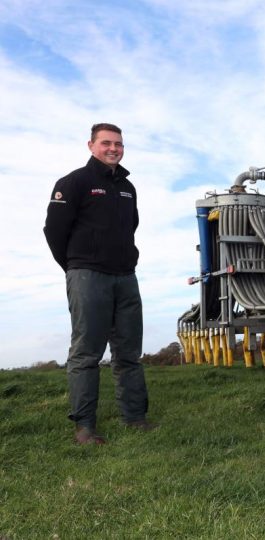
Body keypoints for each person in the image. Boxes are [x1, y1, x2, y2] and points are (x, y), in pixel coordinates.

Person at [44, 123, 156, 445]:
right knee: (86, 353)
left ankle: (134, 417)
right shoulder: (73, 182)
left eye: (118, 144)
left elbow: (130, 227)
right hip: (87, 276)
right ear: (91, 145)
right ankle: (84, 428)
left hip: (126, 277)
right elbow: (54, 231)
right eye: (106, 143)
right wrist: (74, 267)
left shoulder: (127, 188)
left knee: (129, 353)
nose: (113, 149)